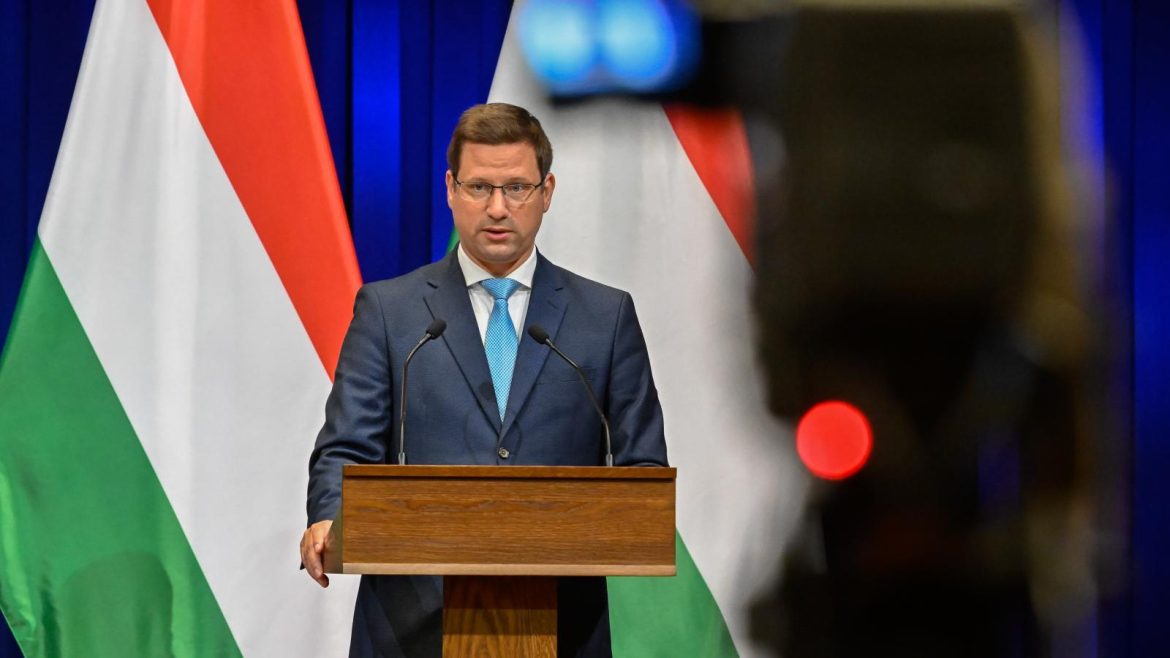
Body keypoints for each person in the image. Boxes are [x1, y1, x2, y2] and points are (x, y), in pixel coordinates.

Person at [299, 103, 669, 658]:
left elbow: (644, 467)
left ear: (547, 192)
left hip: (563, 628)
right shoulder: (390, 312)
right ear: (450, 189)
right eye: (479, 187)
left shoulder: (605, 317)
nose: (498, 207)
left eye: (516, 188)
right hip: (409, 629)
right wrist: (329, 517)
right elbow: (347, 447)